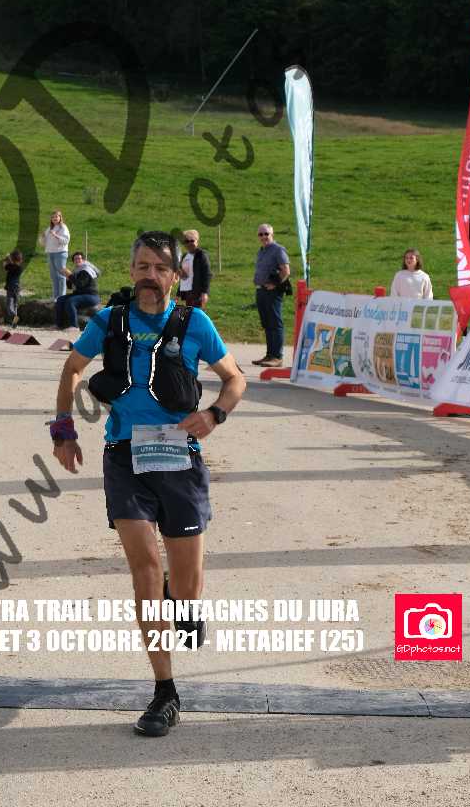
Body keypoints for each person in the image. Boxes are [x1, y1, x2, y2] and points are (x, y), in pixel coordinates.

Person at [51, 230, 245, 738]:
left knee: (185, 587)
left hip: (180, 461)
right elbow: (73, 368)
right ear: (131, 270)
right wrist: (63, 428)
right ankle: (165, 691)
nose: (150, 276)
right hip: (125, 459)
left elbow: (235, 379)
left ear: (176, 276)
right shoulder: (109, 321)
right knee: (144, 570)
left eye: (160, 268)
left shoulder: (195, 323)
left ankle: (181, 601)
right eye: (142, 266)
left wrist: (215, 415)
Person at [252, 223, 290, 367]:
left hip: (272, 292)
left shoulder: (278, 250)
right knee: (267, 323)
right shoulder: (261, 251)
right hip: (261, 290)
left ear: (272, 234)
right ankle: (269, 355)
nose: (263, 237)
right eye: (260, 234)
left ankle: (277, 356)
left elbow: (286, 270)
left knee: (275, 323)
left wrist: (275, 283)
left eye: (266, 234)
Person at [54, 251, 101, 330]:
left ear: (83, 260)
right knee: (60, 300)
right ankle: (58, 325)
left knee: (70, 301)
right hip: (79, 294)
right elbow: (70, 287)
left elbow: (80, 284)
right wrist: (67, 277)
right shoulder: (76, 270)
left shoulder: (86, 270)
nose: (77, 260)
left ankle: (74, 326)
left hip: (91, 296)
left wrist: (70, 275)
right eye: (75, 259)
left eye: (79, 258)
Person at [40, 210, 70, 300]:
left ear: (60, 217)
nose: (54, 218)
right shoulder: (49, 228)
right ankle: (55, 296)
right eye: (53, 217)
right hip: (50, 253)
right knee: (54, 276)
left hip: (60, 253)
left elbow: (66, 241)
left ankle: (62, 296)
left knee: (61, 275)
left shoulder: (63, 227)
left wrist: (56, 235)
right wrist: (42, 237)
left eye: (56, 216)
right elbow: (43, 243)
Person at [178, 230, 211, 310]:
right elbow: (183, 276)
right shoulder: (185, 256)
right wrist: (178, 294)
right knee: (189, 313)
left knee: (195, 313)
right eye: (186, 241)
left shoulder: (201, 255)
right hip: (186, 292)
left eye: (192, 240)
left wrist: (205, 292)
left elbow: (207, 274)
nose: (189, 243)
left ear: (197, 241)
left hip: (197, 292)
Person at [3, 249, 24, 325]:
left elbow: (5, 266)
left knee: (9, 306)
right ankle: (14, 323)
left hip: (11, 288)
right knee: (15, 305)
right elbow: (12, 266)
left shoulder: (11, 266)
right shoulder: (20, 268)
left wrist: (7, 259)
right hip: (17, 288)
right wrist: (10, 260)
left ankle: (15, 316)